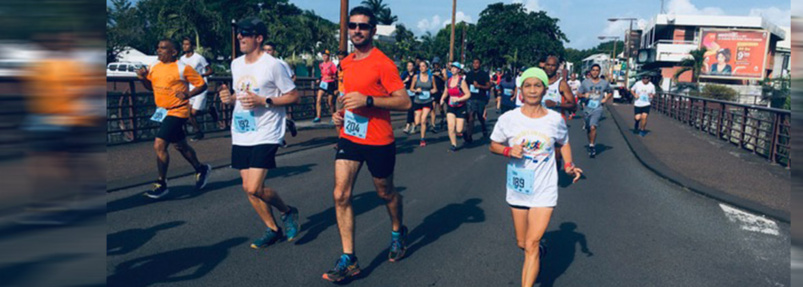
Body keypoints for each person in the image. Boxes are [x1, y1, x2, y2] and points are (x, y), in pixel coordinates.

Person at [323, 6, 412, 282]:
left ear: (373, 30)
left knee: (385, 193)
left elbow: (404, 101)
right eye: (353, 26)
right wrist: (340, 110)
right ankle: (349, 258)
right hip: (350, 137)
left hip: (378, 139)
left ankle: (397, 230)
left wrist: (369, 100)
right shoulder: (346, 62)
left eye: (363, 26)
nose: (357, 30)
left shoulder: (383, 63)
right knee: (340, 194)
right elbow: (346, 95)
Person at [489, 67, 583, 287]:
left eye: (537, 85)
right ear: (521, 90)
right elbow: (493, 144)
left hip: (545, 189)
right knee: (523, 242)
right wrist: (507, 151)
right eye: (528, 86)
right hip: (519, 188)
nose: (532, 90)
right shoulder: (508, 119)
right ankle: (540, 250)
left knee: (531, 243)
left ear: (544, 89)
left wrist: (569, 165)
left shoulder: (554, 119)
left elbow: (564, 142)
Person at [216, 17, 301, 248]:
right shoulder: (236, 64)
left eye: (245, 33)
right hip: (242, 129)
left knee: (254, 186)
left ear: (258, 38)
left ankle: (287, 211)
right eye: (239, 33)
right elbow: (239, 95)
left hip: (267, 131)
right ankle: (272, 229)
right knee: (248, 188)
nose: (239, 37)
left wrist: (264, 100)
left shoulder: (273, 65)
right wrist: (229, 98)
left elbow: (293, 96)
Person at [136, 39, 212, 199]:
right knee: (180, 145)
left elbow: (202, 85)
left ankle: (161, 183)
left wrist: (188, 95)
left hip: (178, 110)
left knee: (159, 144)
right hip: (163, 110)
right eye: (158, 48)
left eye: (163, 48)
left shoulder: (183, 68)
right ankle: (201, 168)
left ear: (174, 52)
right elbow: (151, 86)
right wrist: (143, 78)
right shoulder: (154, 67)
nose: (159, 51)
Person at [179, 37, 216, 141]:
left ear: (192, 46)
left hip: (200, 87)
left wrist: (201, 74)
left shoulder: (199, 58)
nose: (185, 46)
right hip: (189, 88)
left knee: (193, 113)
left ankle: (208, 112)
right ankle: (198, 131)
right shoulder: (182, 59)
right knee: (187, 113)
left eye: (187, 44)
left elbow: (210, 70)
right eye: (183, 44)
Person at [264, 42, 298, 142]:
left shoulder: (280, 64)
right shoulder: (259, 65)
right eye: (265, 50)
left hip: (278, 96)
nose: (267, 52)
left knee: (277, 117)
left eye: (269, 50)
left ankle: (280, 139)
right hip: (264, 96)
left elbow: (292, 76)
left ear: (274, 52)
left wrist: (286, 89)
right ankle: (287, 124)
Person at [577, 64, 612, 158]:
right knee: (589, 128)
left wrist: (605, 99)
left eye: (597, 70)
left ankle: (592, 146)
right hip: (587, 109)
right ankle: (590, 143)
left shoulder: (604, 83)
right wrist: (584, 96)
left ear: (599, 72)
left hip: (598, 108)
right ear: (590, 71)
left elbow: (610, 92)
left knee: (593, 127)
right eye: (593, 70)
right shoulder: (585, 83)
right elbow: (578, 94)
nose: (595, 72)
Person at [440, 62, 471, 152]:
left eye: (455, 68)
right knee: (450, 126)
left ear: (458, 70)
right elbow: (446, 92)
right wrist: (442, 99)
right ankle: (453, 144)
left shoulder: (462, 81)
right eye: (452, 67)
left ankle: (464, 132)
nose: (453, 69)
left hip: (461, 107)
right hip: (451, 106)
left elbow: (468, 94)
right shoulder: (448, 81)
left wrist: (459, 99)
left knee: (459, 129)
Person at [464, 58, 492, 143]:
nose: (475, 64)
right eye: (474, 63)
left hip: (480, 98)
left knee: (480, 116)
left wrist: (479, 86)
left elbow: (488, 86)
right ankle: (469, 135)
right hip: (470, 98)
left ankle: (483, 128)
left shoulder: (484, 74)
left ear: (480, 64)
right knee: (471, 116)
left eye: (477, 63)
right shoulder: (469, 74)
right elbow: (465, 84)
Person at [542, 55, 577, 122]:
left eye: (553, 65)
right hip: (540, 121)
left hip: (555, 123)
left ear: (557, 67)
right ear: (544, 65)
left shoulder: (561, 84)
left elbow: (573, 106)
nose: (550, 68)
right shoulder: (539, 81)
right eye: (548, 65)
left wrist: (556, 104)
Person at [410, 61, 437, 147]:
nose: (421, 68)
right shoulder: (415, 77)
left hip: (427, 100)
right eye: (420, 66)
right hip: (418, 100)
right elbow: (411, 89)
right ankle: (424, 123)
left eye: (423, 66)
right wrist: (416, 90)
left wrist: (433, 91)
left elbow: (435, 89)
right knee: (417, 122)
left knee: (423, 119)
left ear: (427, 68)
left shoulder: (431, 77)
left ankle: (422, 139)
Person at [314, 50, 337, 123]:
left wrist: (331, 78)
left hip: (330, 83)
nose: (324, 57)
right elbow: (322, 74)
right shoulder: (321, 65)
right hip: (323, 83)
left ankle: (333, 116)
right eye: (323, 56)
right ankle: (318, 116)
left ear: (328, 56)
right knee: (318, 99)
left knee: (330, 102)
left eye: (325, 56)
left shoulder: (332, 65)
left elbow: (336, 75)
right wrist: (319, 79)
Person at [430, 57, 448, 132]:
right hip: (434, 91)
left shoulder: (442, 70)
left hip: (440, 90)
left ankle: (442, 118)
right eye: (434, 64)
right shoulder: (431, 71)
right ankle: (433, 125)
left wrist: (439, 75)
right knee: (433, 108)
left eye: (437, 64)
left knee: (440, 107)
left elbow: (446, 79)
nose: (436, 65)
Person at [401, 61, 417, 134]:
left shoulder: (416, 74)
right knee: (410, 109)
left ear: (413, 67)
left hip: (415, 93)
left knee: (411, 109)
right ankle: (413, 125)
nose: (409, 67)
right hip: (407, 93)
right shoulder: (405, 74)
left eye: (411, 66)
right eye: (408, 66)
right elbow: (399, 82)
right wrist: (405, 80)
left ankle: (408, 126)